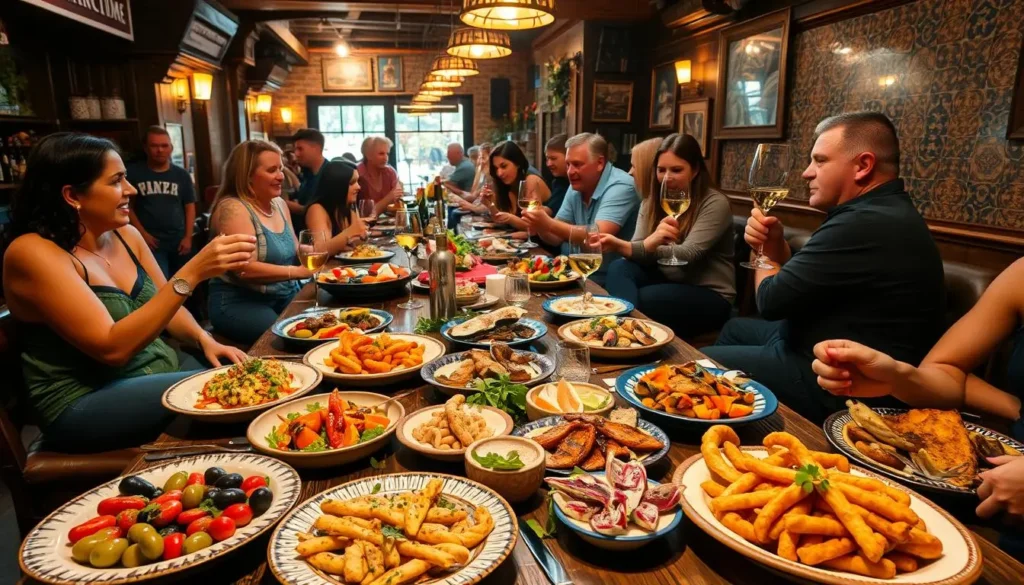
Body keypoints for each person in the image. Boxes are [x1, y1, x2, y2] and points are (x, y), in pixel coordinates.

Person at [2, 133, 253, 452]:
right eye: (117, 181)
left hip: (158, 371)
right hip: (84, 399)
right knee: (233, 397)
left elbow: (170, 309)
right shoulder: (32, 253)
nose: (131, 190)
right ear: (72, 195)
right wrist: (191, 272)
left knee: (255, 377)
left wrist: (206, 340)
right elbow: (112, 349)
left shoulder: (125, 235)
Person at [703, 111, 945, 423]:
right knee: (736, 328)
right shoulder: (881, 211)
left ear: (863, 166)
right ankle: (727, 421)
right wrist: (777, 248)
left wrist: (763, 250)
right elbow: (806, 285)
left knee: (706, 363)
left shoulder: (865, 222)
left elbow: (771, 301)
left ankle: (746, 433)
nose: (806, 173)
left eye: (819, 161)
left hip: (847, 386)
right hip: (808, 342)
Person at [599, 134, 735, 338]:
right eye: (661, 170)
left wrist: (643, 245)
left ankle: (625, 337)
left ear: (696, 170)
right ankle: (627, 336)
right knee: (619, 267)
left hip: (710, 294)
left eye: (676, 170)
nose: (666, 177)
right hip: (668, 280)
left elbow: (687, 254)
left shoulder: (715, 203)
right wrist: (646, 245)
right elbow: (638, 251)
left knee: (639, 298)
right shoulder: (651, 202)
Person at [208, 140, 311, 344]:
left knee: (325, 324)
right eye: (272, 170)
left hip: (284, 294)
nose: (281, 176)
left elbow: (293, 247)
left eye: (281, 168)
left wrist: (310, 251)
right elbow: (245, 269)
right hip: (240, 301)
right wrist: (296, 272)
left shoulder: (279, 203)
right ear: (247, 176)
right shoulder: (234, 208)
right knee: (287, 339)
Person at [522, 132, 640, 286]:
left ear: (599, 163)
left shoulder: (622, 185)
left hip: (610, 280)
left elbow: (596, 235)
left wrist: (548, 223)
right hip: (575, 274)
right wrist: (540, 226)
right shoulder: (576, 185)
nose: (570, 171)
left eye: (577, 164)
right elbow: (555, 237)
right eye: (568, 164)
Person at [126, 126, 197, 278]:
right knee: (160, 283)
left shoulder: (181, 175)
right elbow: (127, 206)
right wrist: (142, 234)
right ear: (146, 148)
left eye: (164, 146)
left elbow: (189, 207)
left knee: (184, 281)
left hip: (178, 240)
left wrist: (188, 237)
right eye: (154, 146)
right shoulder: (133, 173)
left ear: (171, 148)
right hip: (151, 241)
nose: (160, 150)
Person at [481, 141, 550, 238]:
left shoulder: (531, 180)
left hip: (544, 246)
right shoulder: (506, 185)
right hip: (521, 243)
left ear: (517, 163)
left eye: (504, 166)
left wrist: (510, 219)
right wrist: (490, 204)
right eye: (496, 168)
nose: (499, 173)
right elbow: (500, 220)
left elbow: (532, 227)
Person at [305, 161, 369, 256]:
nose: (358, 187)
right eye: (352, 183)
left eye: (357, 181)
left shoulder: (348, 206)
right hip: (324, 269)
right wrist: (349, 233)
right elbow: (319, 251)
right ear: (338, 185)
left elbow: (356, 242)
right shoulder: (317, 210)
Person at [288, 129, 329, 231]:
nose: (296, 153)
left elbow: (320, 211)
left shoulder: (329, 175)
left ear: (316, 148)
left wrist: (286, 204)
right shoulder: (307, 173)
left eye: (300, 149)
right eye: (295, 149)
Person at [357, 136, 403, 217]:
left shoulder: (390, 172)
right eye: (381, 153)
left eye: (387, 153)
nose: (386, 158)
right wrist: (390, 197)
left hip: (387, 225)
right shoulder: (357, 174)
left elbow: (398, 206)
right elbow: (368, 215)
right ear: (368, 155)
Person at [543, 134, 570, 217]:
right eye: (547, 159)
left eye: (553, 158)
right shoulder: (559, 182)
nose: (548, 164)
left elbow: (548, 212)